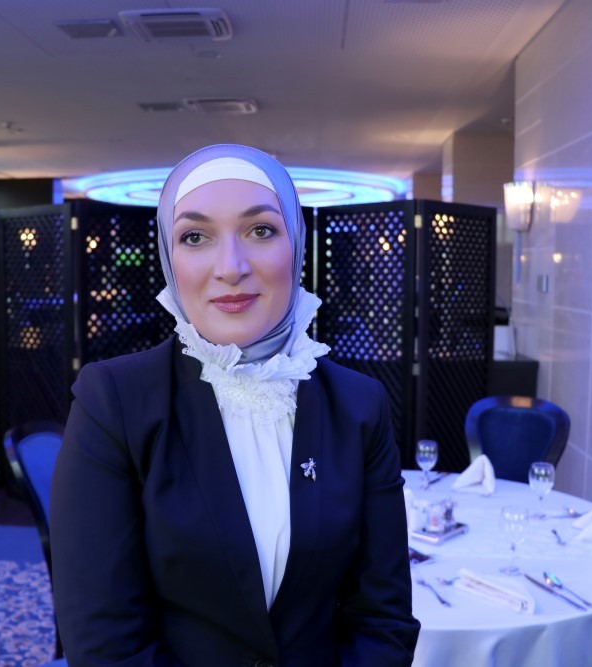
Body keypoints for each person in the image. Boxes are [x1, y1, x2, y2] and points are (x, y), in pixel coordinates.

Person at [50, 144, 419, 667]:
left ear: (298, 244)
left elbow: (383, 620)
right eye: (195, 237)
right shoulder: (114, 402)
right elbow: (104, 643)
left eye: (261, 230)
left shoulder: (359, 406)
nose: (230, 267)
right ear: (169, 259)